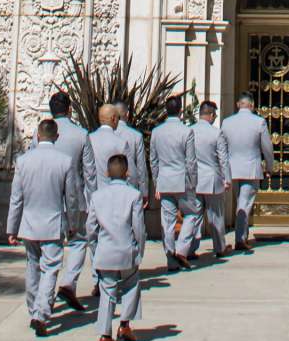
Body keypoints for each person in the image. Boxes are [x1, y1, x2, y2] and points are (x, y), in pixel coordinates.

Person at [5, 117, 78, 336]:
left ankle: (33, 309)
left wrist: (12, 228)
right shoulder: (65, 161)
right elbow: (71, 198)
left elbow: (16, 198)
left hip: (29, 225)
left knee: (32, 267)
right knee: (50, 269)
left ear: (38, 136)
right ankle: (41, 312)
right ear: (56, 137)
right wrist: (73, 224)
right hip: (53, 224)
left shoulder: (23, 161)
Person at [85, 147, 147, 341]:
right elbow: (138, 227)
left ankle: (104, 333)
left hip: (105, 249)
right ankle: (125, 324)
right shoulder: (134, 195)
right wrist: (139, 249)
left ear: (107, 173)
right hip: (126, 249)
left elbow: (90, 228)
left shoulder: (97, 196)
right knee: (131, 286)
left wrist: (95, 248)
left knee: (107, 291)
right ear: (127, 172)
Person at [49, 87, 92, 312]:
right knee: (78, 241)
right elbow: (90, 172)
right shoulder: (81, 134)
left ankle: (44, 298)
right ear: (69, 110)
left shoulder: (43, 133)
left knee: (51, 247)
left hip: (49, 198)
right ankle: (68, 282)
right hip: (75, 198)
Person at [219, 92, 275, 252]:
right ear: (252, 105)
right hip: (250, 167)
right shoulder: (259, 122)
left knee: (240, 201)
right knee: (244, 203)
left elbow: (221, 147)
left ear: (238, 105)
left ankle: (241, 235)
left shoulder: (226, 122)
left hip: (231, 168)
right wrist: (269, 166)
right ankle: (240, 238)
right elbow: (267, 148)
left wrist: (223, 168)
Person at [148, 95, 197, 272]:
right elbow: (190, 161)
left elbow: (153, 160)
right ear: (180, 110)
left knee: (167, 222)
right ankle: (181, 249)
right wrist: (193, 182)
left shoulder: (156, 132)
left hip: (165, 181)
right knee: (193, 214)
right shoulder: (186, 131)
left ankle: (170, 258)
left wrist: (157, 182)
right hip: (182, 180)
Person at [180, 97, 231, 263]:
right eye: (214, 115)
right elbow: (223, 159)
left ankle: (188, 249)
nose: (215, 117)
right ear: (209, 115)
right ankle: (219, 247)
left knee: (194, 217)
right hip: (211, 180)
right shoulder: (216, 133)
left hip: (194, 180)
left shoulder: (189, 131)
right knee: (216, 216)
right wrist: (227, 178)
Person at [82, 98, 149, 198]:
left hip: (95, 195)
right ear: (113, 118)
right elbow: (132, 173)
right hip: (118, 196)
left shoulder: (89, 139)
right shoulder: (121, 143)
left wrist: (90, 195)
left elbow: (87, 171)